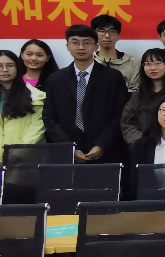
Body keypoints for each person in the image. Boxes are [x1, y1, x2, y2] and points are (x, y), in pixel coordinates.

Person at [43, 25, 130, 164]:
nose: (81, 47)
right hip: (66, 153)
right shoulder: (55, 79)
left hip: (107, 151)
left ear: (96, 46)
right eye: (75, 42)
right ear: (67, 46)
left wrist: (102, 144)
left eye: (87, 43)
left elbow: (121, 114)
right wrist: (69, 147)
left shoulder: (112, 77)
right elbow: (50, 118)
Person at [122, 48, 165, 145]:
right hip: (144, 146)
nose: (153, 68)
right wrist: (142, 142)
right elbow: (128, 125)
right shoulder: (138, 96)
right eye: (148, 64)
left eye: (158, 63)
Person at [91, 15, 141, 92]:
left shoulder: (134, 63)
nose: (107, 36)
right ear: (94, 35)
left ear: (118, 36)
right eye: (102, 31)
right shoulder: (88, 62)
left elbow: (135, 92)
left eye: (112, 31)